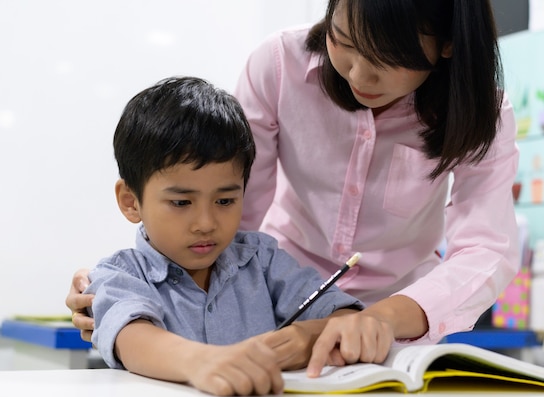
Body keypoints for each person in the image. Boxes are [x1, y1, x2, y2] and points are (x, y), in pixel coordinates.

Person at [67, 0, 519, 377]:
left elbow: (486, 248)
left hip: (398, 319)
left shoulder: (482, 114)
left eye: (388, 59)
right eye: (342, 41)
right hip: (281, 303)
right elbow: (228, 215)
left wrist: (378, 317)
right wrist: (116, 292)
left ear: (447, 46)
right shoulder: (280, 66)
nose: (359, 75)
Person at [81, 76, 363, 396]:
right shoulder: (120, 275)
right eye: (181, 202)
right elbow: (132, 336)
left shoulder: (263, 261)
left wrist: (311, 334)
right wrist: (202, 362)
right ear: (131, 201)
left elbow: (344, 316)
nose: (206, 223)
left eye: (225, 201)